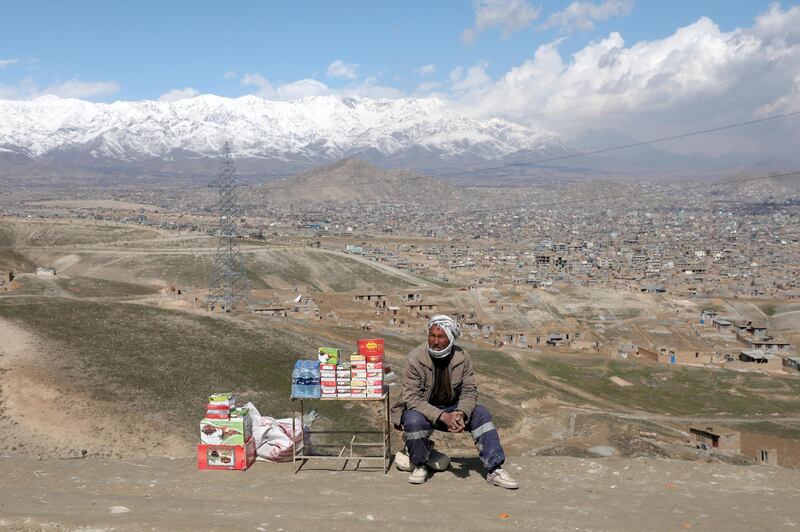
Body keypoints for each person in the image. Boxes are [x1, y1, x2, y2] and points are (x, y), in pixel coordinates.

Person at [390, 315, 519, 489]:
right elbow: (412, 398)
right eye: (432, 336)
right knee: (413, 420)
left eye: (441, 337)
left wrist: (460, 413)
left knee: (481, 414)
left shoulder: (462, 358)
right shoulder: (415, 358)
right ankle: (419, 465)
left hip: (452, 407)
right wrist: (443, 416)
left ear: (450, 338)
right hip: (422, 408)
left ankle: (495, 469)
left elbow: (469, 390)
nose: (435, 341)